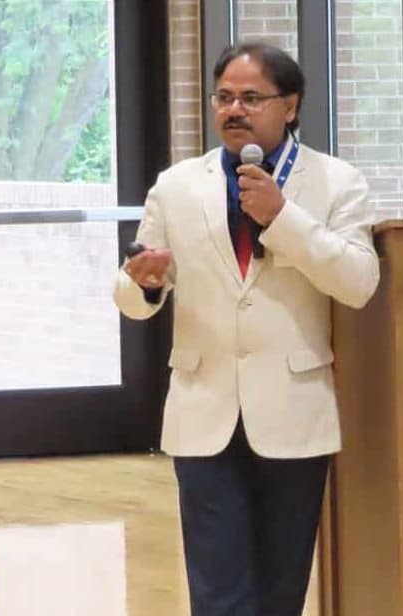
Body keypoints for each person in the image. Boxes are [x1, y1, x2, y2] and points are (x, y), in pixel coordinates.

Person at [113, 42, 379, 616]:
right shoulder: (177, 185)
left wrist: (283, 217)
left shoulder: (336, 183)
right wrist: (147, 282)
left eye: (252, 98)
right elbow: (133, 299)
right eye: (225, 97)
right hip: (203, 411)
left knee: (281, 590)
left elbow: (359, 281)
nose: (235, 109)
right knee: (218, 592)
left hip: (294, 412)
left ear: (291, 105)